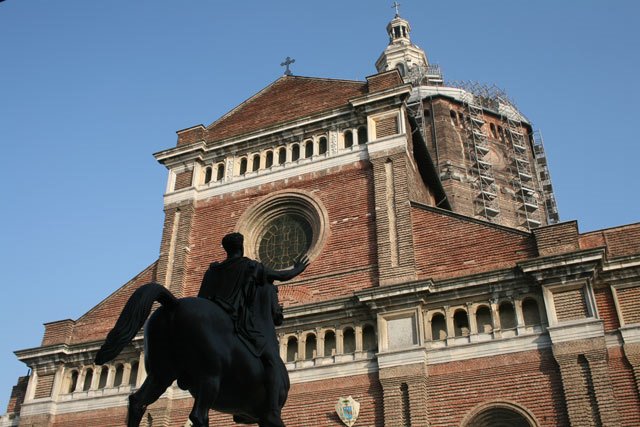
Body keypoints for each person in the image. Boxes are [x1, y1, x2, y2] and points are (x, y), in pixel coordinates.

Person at [198, 232, 308, 426]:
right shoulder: (249, 266)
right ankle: (273, 410)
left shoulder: (213, 270)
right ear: (241, 248)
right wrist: (298, 268)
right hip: (239, 324)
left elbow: (200, 299)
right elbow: (282, 276)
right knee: (272, 360)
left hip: (213, 325)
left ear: (226, 249)